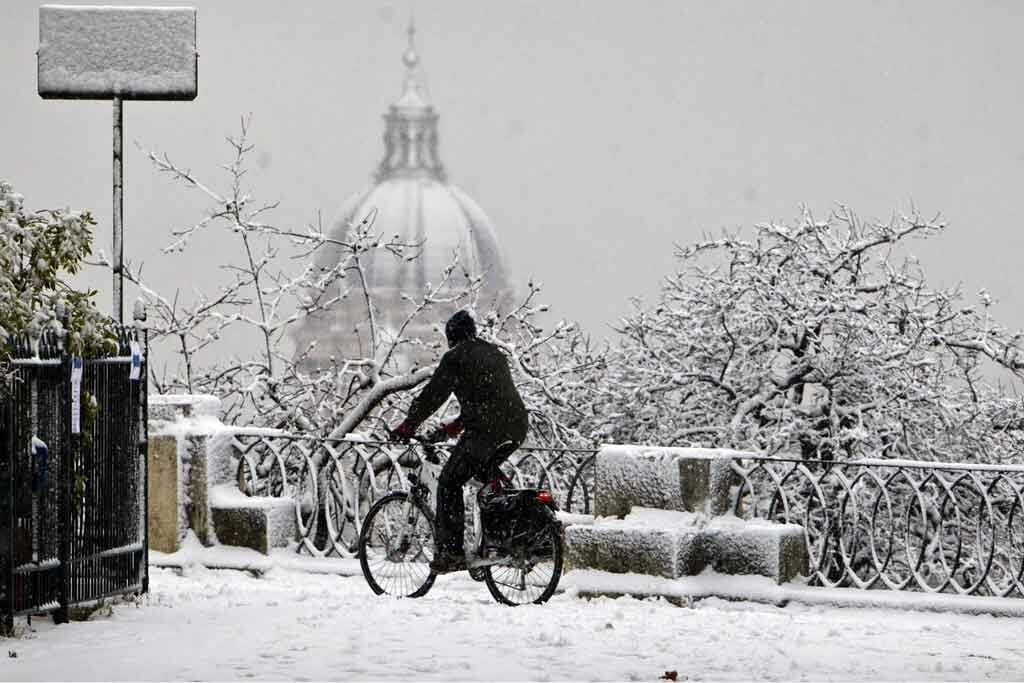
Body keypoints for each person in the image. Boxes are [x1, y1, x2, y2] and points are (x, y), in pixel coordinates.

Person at [390, 310, 529, 574]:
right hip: (515, 425)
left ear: (451, 337)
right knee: (483, 471)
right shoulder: (492, 353)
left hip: (487, 430)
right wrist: (450, 429)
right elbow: (487, 400)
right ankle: (504, 533)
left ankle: (451, 553)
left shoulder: (456, 357)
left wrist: (408, 425)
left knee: (450, 481)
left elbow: (433, 394)